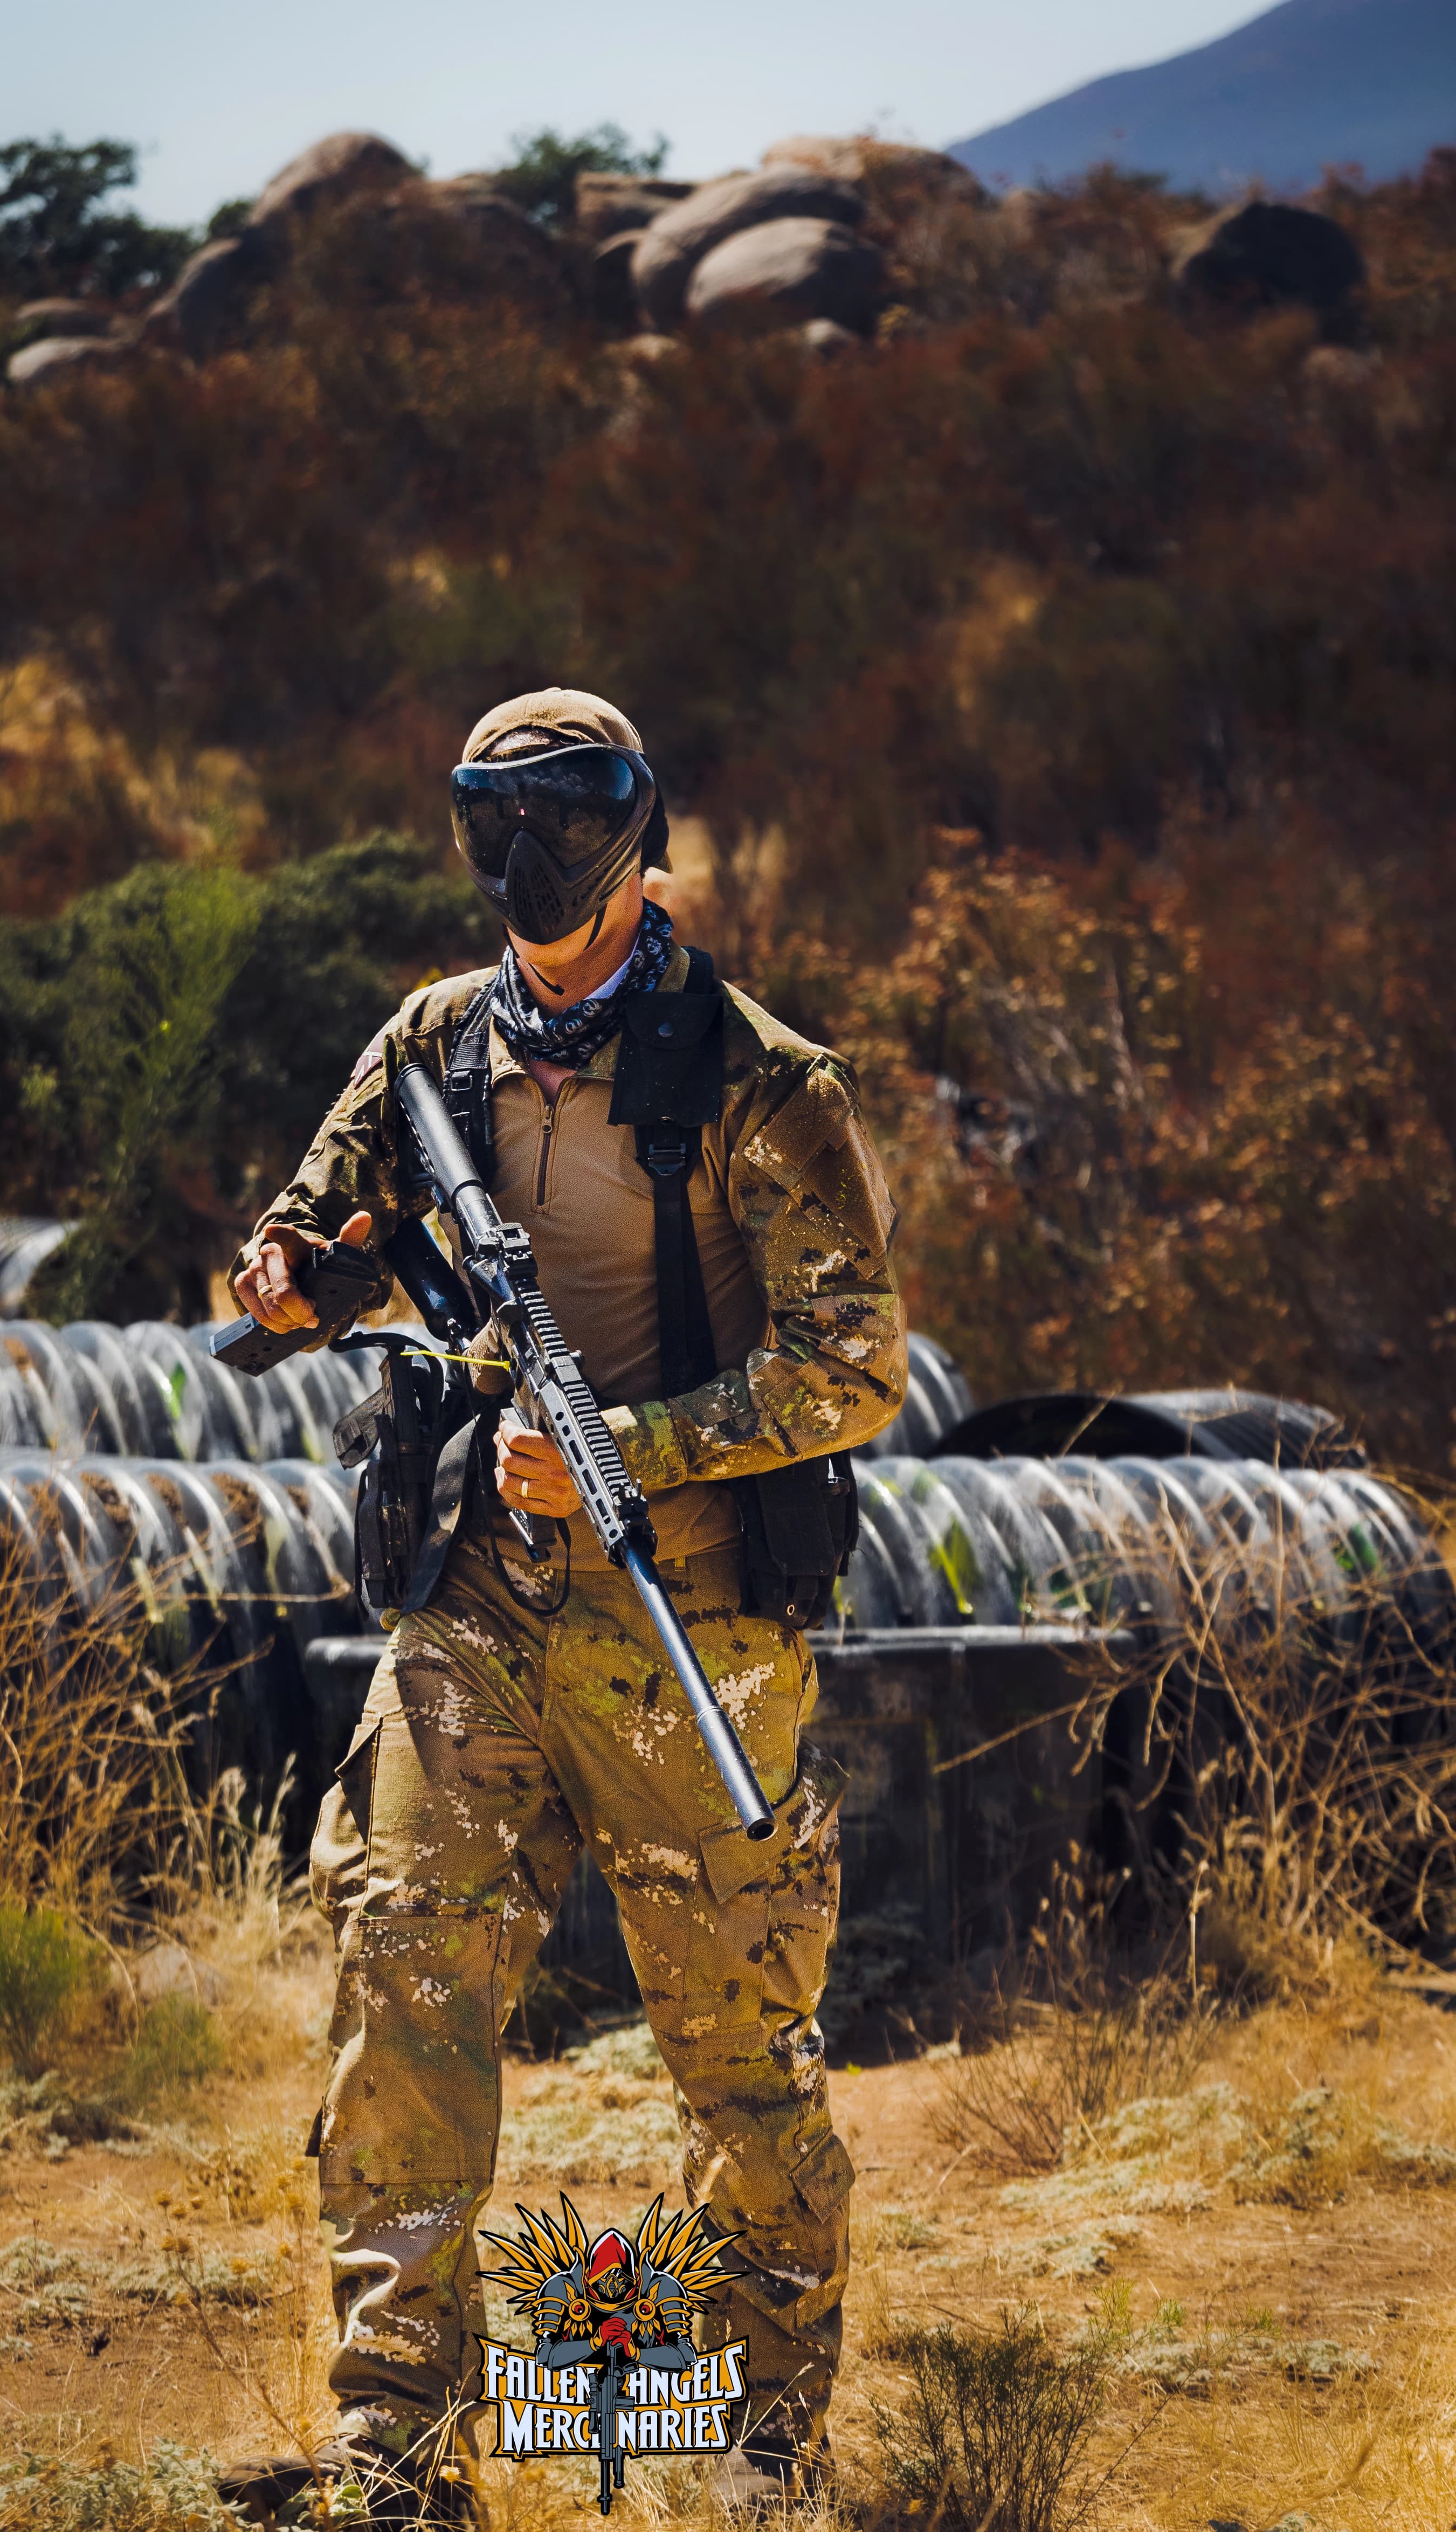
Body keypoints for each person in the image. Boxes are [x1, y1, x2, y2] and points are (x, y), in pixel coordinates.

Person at [229, 687, 906, 2524]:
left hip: (687, 1613)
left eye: (563, 812)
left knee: (740, 2055)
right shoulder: (433, 1043)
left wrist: (638, 1442)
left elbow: (857, 1365)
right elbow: (314, 1235)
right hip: (474, 1599)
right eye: (492, 815)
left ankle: (750, 2448)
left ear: (635, 828)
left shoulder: (762, 1076)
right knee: (402, 1992)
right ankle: (403, 2448)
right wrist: (294, 1279)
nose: (522, 854)